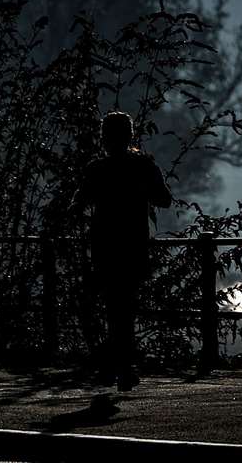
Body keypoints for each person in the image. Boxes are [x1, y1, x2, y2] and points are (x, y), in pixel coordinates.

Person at [80, 111, 171, 391]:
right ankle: (122, 366)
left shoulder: (98, 169)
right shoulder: (142, 166)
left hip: (106, 244)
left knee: (113, 306)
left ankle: (114, 365)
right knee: (123, 307)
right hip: (131, 243)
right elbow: (164, 199)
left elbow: (81, 198)